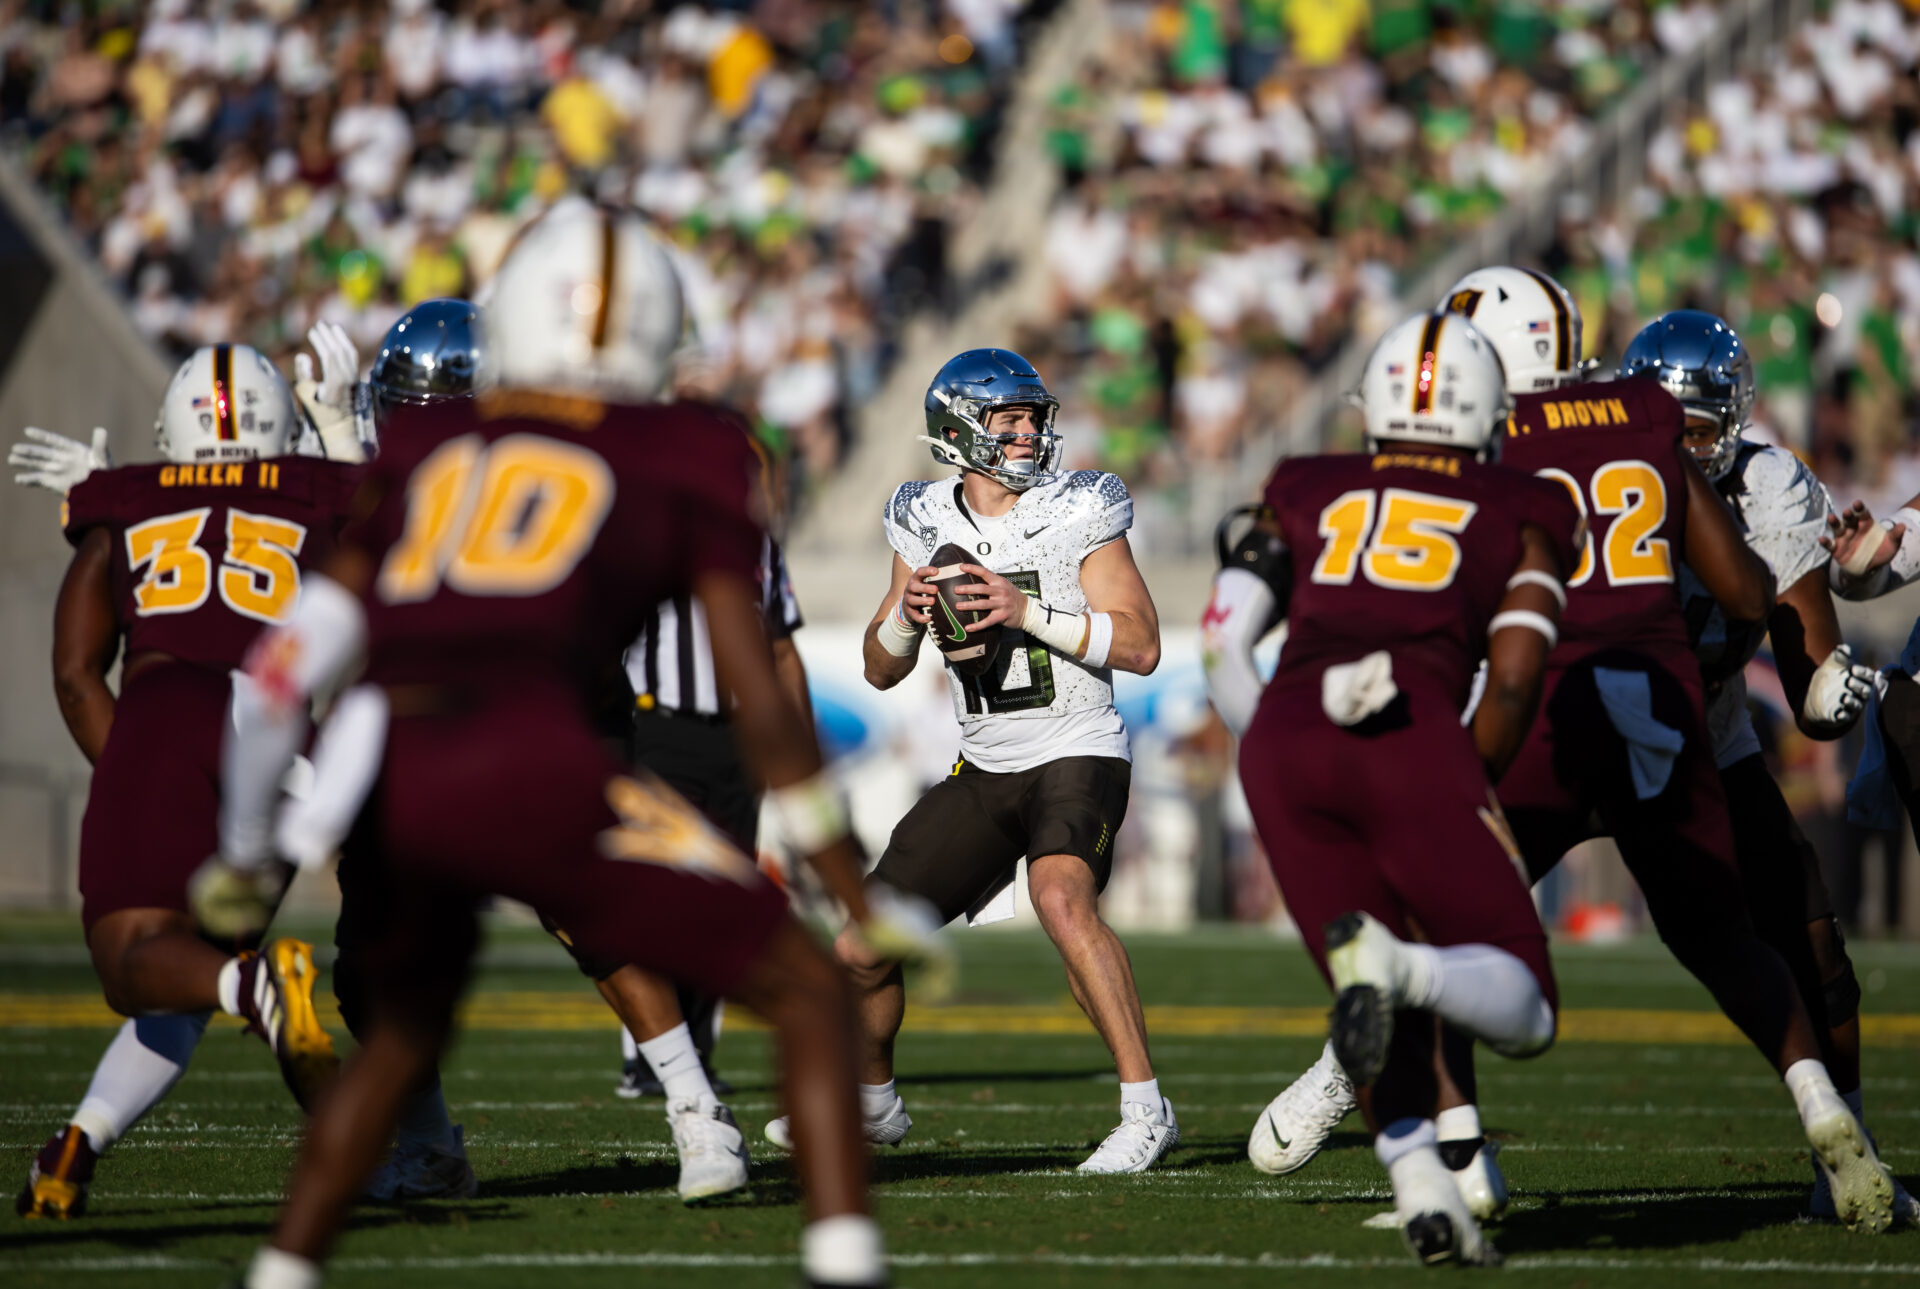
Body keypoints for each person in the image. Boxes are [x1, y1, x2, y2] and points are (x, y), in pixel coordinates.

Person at [191, 200, 928, 1289]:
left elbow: (278, 673)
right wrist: (836, 867)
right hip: (545, 749)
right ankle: (818, 1237)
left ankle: (286, 1268)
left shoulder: (431, 448)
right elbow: (765, 699)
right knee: (813, 995)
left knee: (395, 1035)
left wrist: (249, 845)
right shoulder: (687, 446)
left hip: (401, 767)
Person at [1212, 273, 1899, 1237]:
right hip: (1663, 713)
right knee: (1717, 937)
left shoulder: (1525, 460)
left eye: (1706, 425)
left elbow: (1769, 616)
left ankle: (1449, 1147)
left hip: (1595, 712)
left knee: (1787, 925)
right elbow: (1750, 595)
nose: (1694, 437)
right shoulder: (1631, 426)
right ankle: (1823, 1112)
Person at [1211, 308, 1580, 1264]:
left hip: (1285, 736)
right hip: (1410, 732)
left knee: (1354, 981)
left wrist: (1285, 742)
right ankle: (1406, 969)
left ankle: (1424, 1188)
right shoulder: (1524, 504)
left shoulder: (1306, 483)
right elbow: (1508, 683)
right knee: (1523, 1006)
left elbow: (1219, 644)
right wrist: (1458, 781)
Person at [15, 344, 360, 1220]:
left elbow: (73, 670)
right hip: (287, 728)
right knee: (188, 969)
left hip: (171, 708)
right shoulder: (319, 489)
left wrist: (141, 772)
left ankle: (257, 989)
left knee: (134, 961)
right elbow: (383, 529)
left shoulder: (124, 498)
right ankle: (78, 1143)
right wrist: (341, 431)